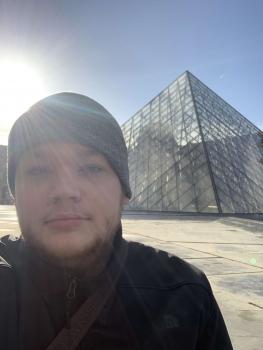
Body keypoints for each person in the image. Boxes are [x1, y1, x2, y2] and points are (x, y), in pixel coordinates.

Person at [0, 92, 233, 350]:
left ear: (124, 192)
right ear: (15, 194)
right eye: (39, 170)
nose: (65, 190)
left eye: (91, 168)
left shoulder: (187, 292)